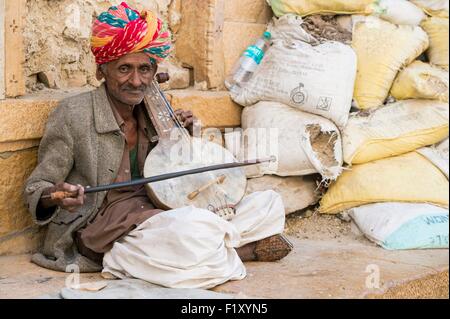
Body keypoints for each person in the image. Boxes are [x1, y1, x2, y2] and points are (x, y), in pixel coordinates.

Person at [24, 2, 292, 287]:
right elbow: (36, 188)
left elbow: (179, 180)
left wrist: (185, 139)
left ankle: (207, 248)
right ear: (102, 70)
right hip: (107, 227)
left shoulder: (155, 111)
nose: (136, 81)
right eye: (124, 69)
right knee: (192, 230)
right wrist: (57, 195)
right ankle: (236, 250)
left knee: (269, 203)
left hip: (161, 212)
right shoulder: (73, 114)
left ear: (154, 72)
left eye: (145, 70)